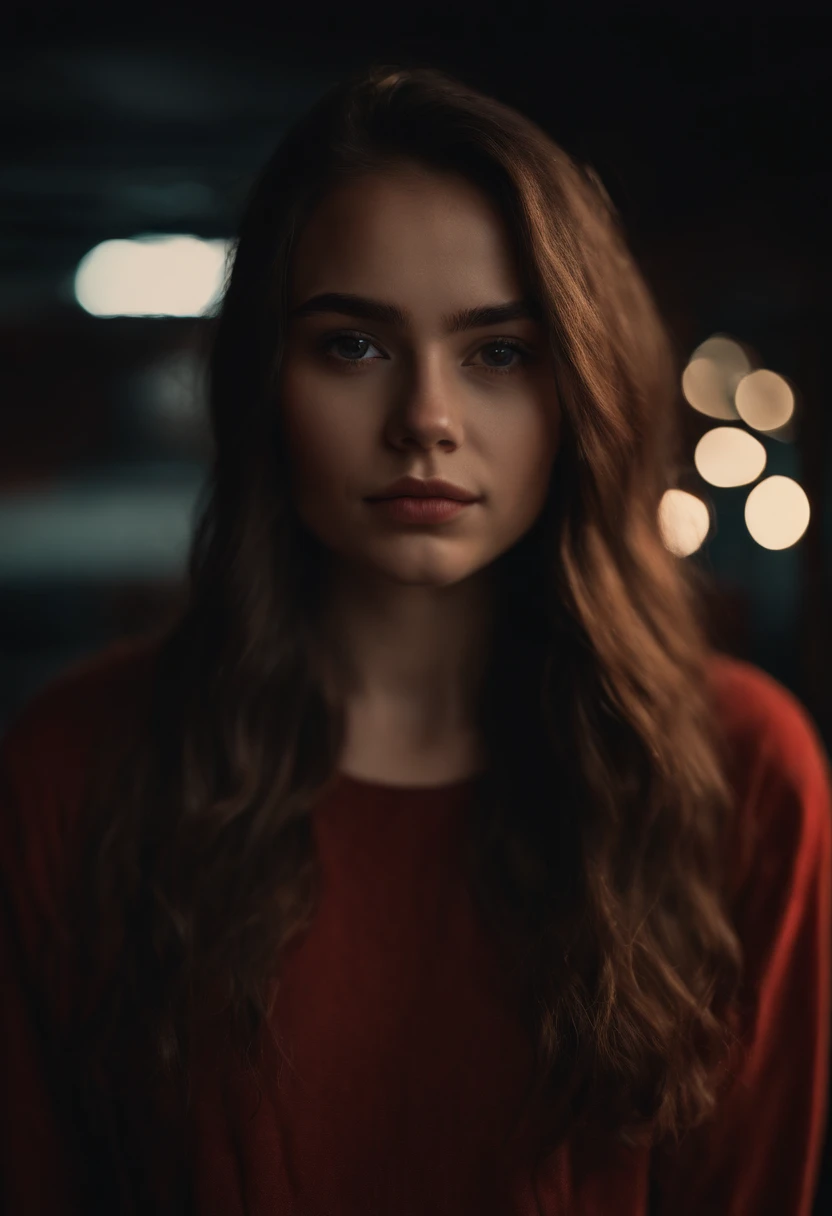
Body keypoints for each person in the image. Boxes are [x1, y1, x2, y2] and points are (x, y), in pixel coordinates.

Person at [0, 62, 830, 1216]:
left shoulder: (737, 769)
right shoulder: (69, 768)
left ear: (579, 385)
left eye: (499, 351)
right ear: (261, 381)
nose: (427, 419)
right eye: (353, 345)